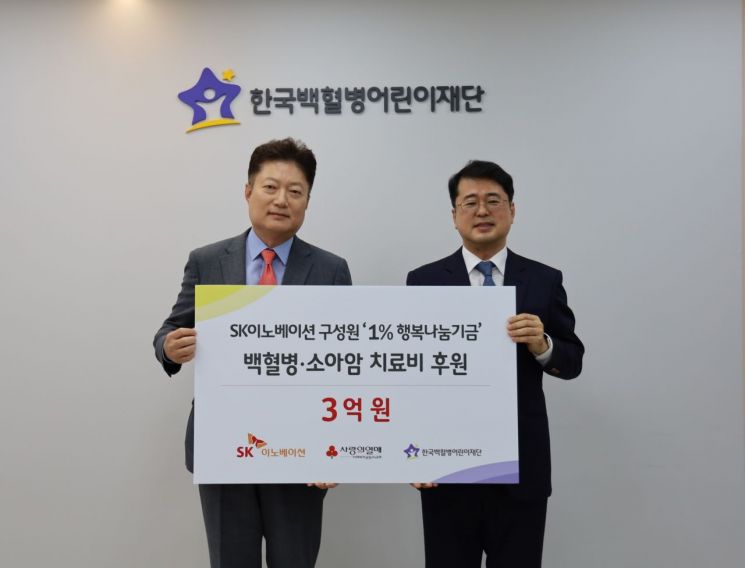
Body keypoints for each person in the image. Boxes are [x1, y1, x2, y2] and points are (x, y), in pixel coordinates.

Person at [153, 138, 351, 568]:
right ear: (248, 191)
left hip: (301, 447)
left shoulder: (330, 269)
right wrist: (169, 346)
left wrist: (333, 445)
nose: (281, 200)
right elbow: (171, 328)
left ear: (307, 201)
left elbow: (344, 363)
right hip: (223, 443)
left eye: (295, 191)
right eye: (270, 187)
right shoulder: (207, 260)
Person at [406, 160, 584, 568]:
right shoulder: (424, 280)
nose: (482, 211)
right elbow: (411, 376)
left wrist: (542, 343)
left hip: (521, 469)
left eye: (493, 201)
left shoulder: (543, 279)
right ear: (454, 215)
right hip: (448, 467)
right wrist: (412, 453)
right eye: (470, 202)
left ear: (512, 210)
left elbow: (572, 360)